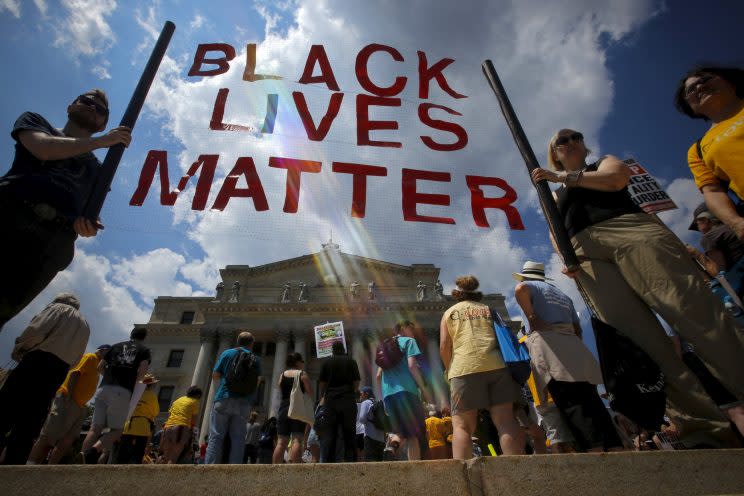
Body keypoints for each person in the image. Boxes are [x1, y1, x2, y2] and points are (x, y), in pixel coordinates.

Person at [531, 128, 744, 448]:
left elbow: (616, 179)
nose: (571, 142)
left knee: (695, 315)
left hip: (630, 231)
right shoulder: (554, 194)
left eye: (576, 136)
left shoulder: (598, 164)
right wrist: (565, 255)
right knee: (642, 343)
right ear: (554, 152)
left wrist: (562, 177)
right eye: (562, 140)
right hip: (587, 254)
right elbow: (553, 229)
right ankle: (702, 429)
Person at [0, 90, 132, 331]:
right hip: (10, 216)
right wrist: (100, 143)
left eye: (100, 109)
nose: (92, 108)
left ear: (103, 123)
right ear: (71, 106)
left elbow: (89, 214)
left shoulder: (99, 171)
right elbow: (43, 149)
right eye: (87, 102)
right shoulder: (37, 123)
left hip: (51, 243)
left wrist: (89, 226)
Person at [513, 262, 622, 452]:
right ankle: (615, 447)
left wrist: (532, 317)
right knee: (591, 399)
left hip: (551, 347)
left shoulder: (530, 286)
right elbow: (578, 328)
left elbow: (520, 289)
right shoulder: (562, 295)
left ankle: (593, 451)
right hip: (574, 346)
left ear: (526, 276)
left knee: (571, 402)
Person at [439, 277, 524, 459]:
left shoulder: (449, 313)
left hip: (463, 368)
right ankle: (517, 467)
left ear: (456, 293)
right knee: (506, 421)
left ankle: (463, 474)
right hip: (497, 366)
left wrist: (448, 369)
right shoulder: (489, 310)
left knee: (462, 426)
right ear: (475, 291)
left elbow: (444, 346)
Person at [0, 293, 90, 464]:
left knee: (7, 408)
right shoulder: (85, 325)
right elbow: (77, 358)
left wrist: (21, 347)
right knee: (32, 418)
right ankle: (13, 464)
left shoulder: (58, 309)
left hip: (38, 360)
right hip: (59, 371)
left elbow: (36, 331)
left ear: (58, 301)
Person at [674, 66, 744, 239]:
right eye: (690, 90)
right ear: (691, 107)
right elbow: (713, 191)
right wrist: (736, 223)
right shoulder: (697, 150)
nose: (699, 87)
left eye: (705, 80)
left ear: (730, 82)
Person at [27, 344, 110, 465]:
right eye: (109, 352)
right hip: (68, 399)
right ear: (102, 350)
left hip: (80, 405)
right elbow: (74, 374)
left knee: (68, 439)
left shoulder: (98, 366)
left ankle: (51, 468)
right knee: (48, 435)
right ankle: (30, 464)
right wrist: (68, 396)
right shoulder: (91, 357)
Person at [80, 327, 151, 464]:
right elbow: (142, 373)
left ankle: (81, 459)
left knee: (94, 428)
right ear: (144, 337)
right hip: (122, 391)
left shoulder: (115, 347)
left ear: (131, 334)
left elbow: (100, 367)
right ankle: (93, 451)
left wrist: (109, 378)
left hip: (103, 388)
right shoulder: (144, 351)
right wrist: (131, 382)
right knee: (117, 430)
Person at [377, 321, 432, 461]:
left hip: (389, 395)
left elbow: (378, 376)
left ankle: (392, 447)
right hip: (407, 392)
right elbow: (412, 366)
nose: (413, 333)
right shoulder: (409, 341)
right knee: (413, 435)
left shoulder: (384, 346)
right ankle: (415, 468)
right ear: (403, 328)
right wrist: (424, 389)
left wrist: (383, 399)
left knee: (400, 431)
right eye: (411, 329)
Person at [205, 331, 262, 464]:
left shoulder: (227, 353)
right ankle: (234, 468)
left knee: (216, 436)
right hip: (244, 402)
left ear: (238, 342)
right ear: (251, 344)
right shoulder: (255, 358)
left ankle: (209, 467)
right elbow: (257, 381)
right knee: (238, 438)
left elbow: (215, 375)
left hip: (224, 397)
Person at [318, 342, 360, 462]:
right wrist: (351, 391)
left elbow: (321, 383)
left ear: (332, 350)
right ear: (343, 349)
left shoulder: (326, 362)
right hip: (348, 399)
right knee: (350, 432)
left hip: (331, 400)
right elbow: (356, 382)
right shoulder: (351, 361)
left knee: (330, 432)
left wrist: (326, 393)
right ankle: (351, 461)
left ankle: (329, 462)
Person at [273, 352, 313, 464]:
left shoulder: (282, 374)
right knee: (297, 439)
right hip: (297, 408)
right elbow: (310, 392)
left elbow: (279, 389)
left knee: (281, 441)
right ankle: (296, 468)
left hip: (283, 408)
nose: (302, 364)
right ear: (297, 362)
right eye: (301, 361)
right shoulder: (302, 374)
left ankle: (274, 469)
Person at [116, 373, 160, 464]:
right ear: (151, 385)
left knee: (123, 454)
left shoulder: (134, 393)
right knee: (138, 454)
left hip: (129, 426)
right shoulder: (152, 396)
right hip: (143, 427)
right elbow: (156, 412)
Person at [160, 386, 202, 464]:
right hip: (181, 428)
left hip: (168, 427)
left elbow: (170, 414)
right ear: (198, 395)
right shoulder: (195, 401)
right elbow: (194, 419)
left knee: (165, 457)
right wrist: (192, 432)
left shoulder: (178, 400)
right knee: (173, 458)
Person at [357, 386, 385, 461]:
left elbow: (362, 418)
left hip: (370, 436)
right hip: (381, 438)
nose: (360, 396)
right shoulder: (378, 402)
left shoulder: (365, 403)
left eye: (361, 394)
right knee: (379, 462)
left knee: (370, 462)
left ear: (366, 394)